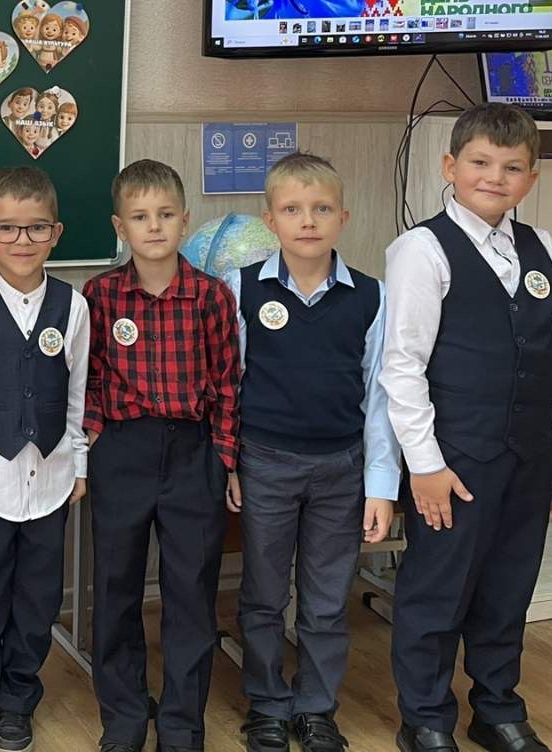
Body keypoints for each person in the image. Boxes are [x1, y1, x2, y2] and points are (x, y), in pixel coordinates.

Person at [382, 104, 552, 752]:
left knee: (508, 586)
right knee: (438, 592)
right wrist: (425, 466)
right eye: (480, 162)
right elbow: (402, 367)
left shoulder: (541, 248)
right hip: (456, 459)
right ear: (450, 167)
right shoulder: (422, 250)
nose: (495, 177)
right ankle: (425, 718)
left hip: (528, 455)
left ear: (531, 177)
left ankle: (496, 708)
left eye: (512, 167)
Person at [221, 154, 399, 752]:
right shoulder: (242, 288)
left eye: (322, 208)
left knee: (325, 602)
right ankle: (268, 704)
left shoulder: (371, 297)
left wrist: (381, 485)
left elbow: (379, 397)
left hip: (341, 471)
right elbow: (229, 384)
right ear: (270, 220)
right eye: (293, 209)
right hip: (265, 463)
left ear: (342, 217)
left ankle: (317, 708)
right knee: (263, 596)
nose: (308, 221)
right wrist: (230, 463)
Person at [83, 159, 239, 752]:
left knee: (190, 593)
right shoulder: (100, 294)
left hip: (193, 453)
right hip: (122, 451)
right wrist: (93, 437)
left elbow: (227, 381)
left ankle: (181, 724)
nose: (154, 227)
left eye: (166, 215)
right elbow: (89, 374)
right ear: (119, 226)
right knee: (115, 588)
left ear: (184, 220)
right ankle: (123, 717)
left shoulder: (211, 295)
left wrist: (223, 456)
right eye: (141, 217)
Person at [0, 167, 89, 752]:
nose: (22, 240)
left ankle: (17, 696)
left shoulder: (73, 306)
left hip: (52, 479)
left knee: (37, 597)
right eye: (7, 228)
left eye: (36, 228)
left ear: (56, 233)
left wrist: (79, 464)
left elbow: (78, 394)